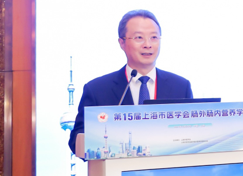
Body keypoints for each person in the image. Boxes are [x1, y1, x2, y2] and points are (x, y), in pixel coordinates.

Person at [68, 9, 193, 156]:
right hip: (115, 170)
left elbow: (191, 136)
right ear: (122, 42)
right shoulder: (97, 90)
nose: (148, 44)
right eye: (139, 37)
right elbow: (76, 142)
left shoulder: (180, 87)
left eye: (154, 37)